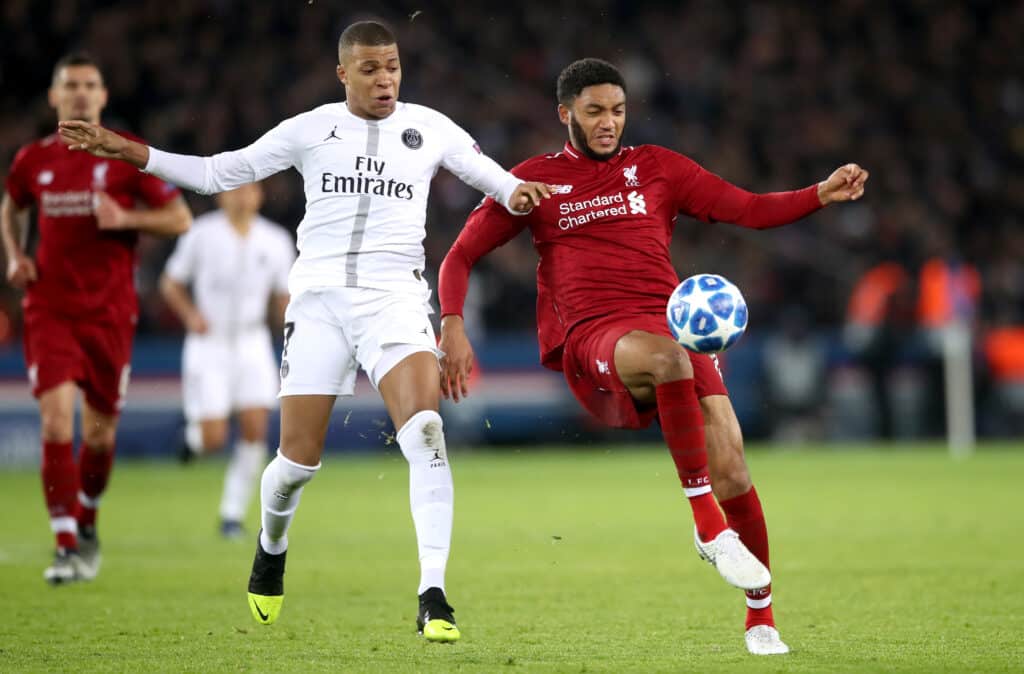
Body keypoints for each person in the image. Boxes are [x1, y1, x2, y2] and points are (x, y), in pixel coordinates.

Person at [59, 21, 550, 640]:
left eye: (393, 66)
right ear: (343, 73)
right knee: (296, 462)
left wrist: (531, 193)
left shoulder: (433, 129)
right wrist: (127, 148)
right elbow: (217, 173)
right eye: (370, 69)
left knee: (426, 432)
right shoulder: (309, 128)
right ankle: (271, 543)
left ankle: (433, 593)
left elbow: (503, 186)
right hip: (318, 303)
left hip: (395, 301)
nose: (385, 79)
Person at [437, 58, 868, 655]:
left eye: (616, 110)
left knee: (735, 470)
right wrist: (452, 324)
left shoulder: (658, 168)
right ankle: (703, 521)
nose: (609, 122)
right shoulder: (534, 181)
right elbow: (458, 256)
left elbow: (746, 209)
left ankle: (761, 617)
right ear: (565, 114)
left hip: (670, 326)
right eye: (594, 111)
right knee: (668, 361)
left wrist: (819, 194)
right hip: (596, 335)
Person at [1, 53, 191, 585]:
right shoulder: (32, 160)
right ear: (54, 97)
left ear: (103, 97)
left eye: (90, 85)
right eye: (71, 85)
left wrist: (127, 218)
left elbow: (179, 218)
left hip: (109, 314)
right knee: (57, 422)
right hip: (50, 309)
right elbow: (11, 204)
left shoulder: (124, 155)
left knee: (100, 437)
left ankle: (86, 517)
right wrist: (14, 254)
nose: (80, 94)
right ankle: (65, 544)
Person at [159, 182, 294, 538]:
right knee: (214, 437)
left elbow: (284, 296)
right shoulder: (201, 234)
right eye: (235, 190)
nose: (242, 197)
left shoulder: (275, 240)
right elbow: (170, 283)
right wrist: (190, 316)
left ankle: (231, 514)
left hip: (252, 341)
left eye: (249, 190)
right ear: (221, 196)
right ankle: (193, 441)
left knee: (255, 428)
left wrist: (292, 323)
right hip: (210, 342)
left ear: (260, 195)